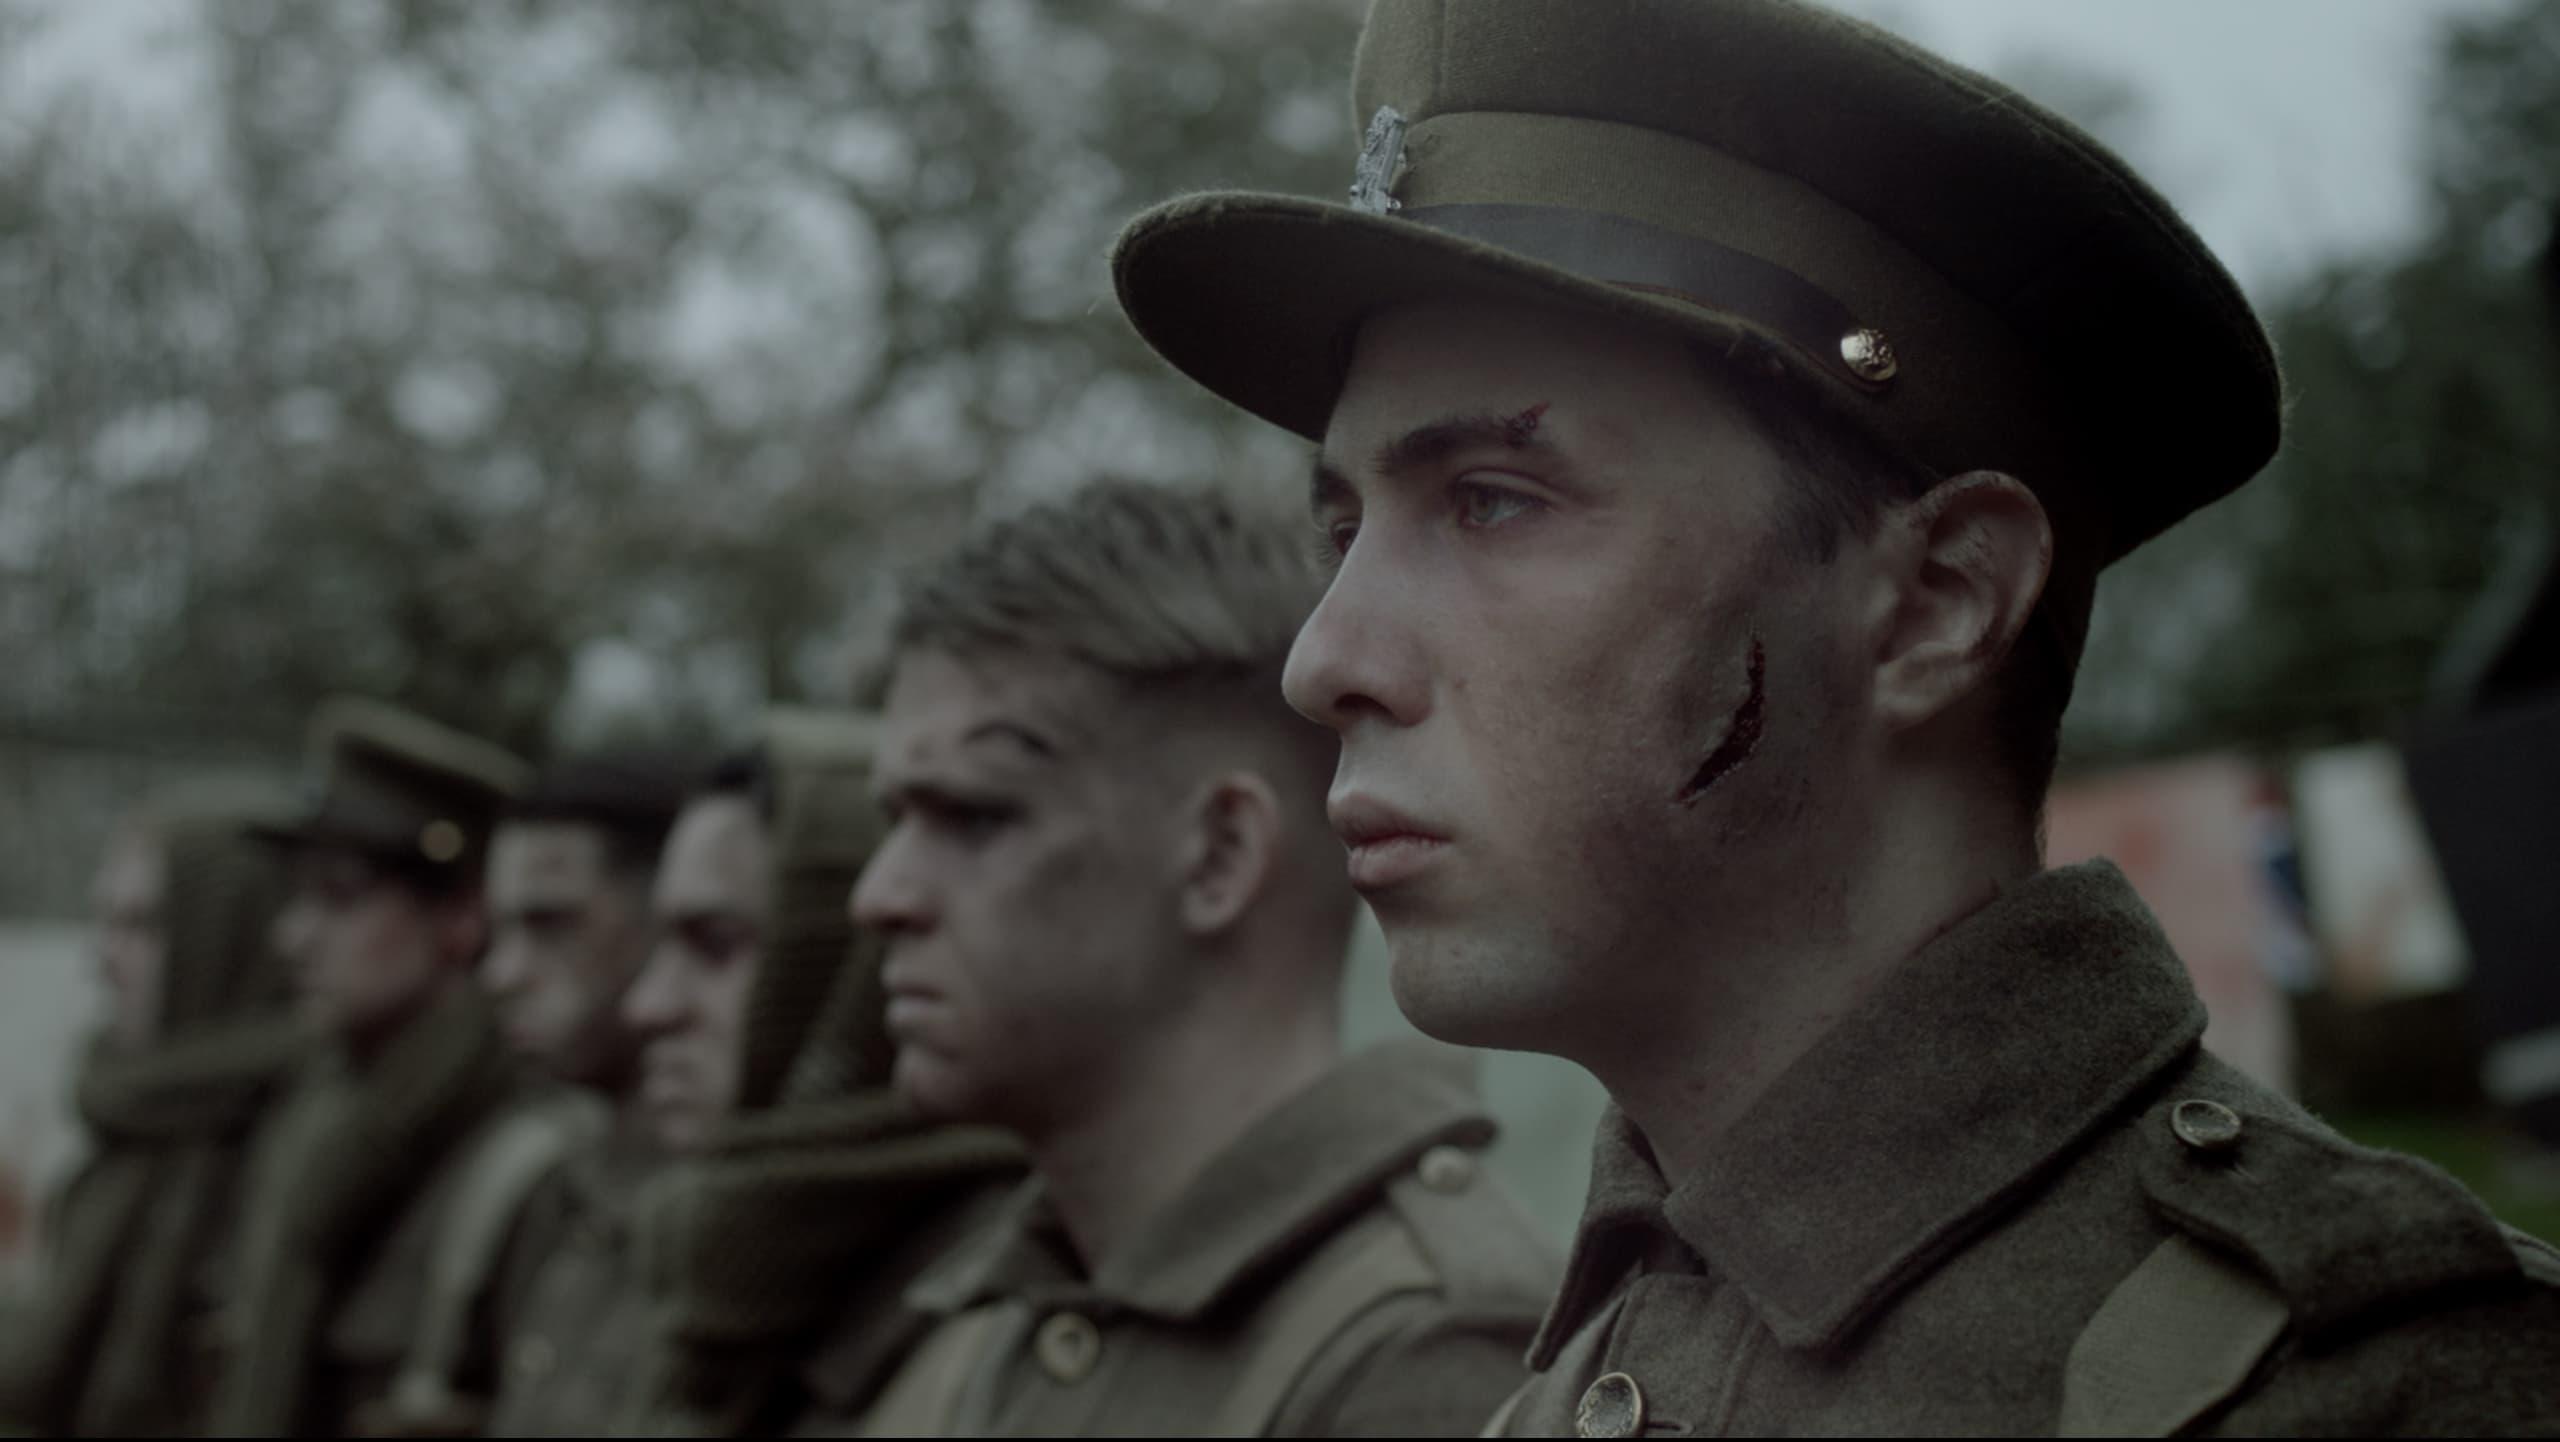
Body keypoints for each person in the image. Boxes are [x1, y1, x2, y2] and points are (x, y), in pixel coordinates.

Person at [1107, 0, 2560, 1433]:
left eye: (1493, 500)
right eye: (1344, 526)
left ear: (1937, 599)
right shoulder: (1569, 1379)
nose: (1324, 659)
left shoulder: (2372, 1387)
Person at [846, 483, 1555, 1437]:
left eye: (975, 814)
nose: (880, 896)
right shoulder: (978, 1330)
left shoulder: (1425, 1359)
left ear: (1220, 854)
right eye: (893, 820)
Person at [616, 713, 1021, 1436]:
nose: (649, 1006)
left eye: (713, 946)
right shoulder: (712, 1275)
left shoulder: (994, 1309)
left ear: (845, 976)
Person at [208, 698, 576, 1438]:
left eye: (339, 895)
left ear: (461, 916)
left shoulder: (525, 1159)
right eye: (296, 895)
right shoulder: (311, 1116)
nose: (293, 935)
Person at [0, 783, 309, 1436]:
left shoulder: (294, 1137)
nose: (104, 958)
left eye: (139, 925)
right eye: (103, 920)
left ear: (224, 933)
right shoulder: (129, 1116)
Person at [476, 754, 697, 1435]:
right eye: (499, 931)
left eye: (549, 925)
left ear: (664, 920)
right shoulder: (555, 1196)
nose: (501, 973)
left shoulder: (727, 1227)